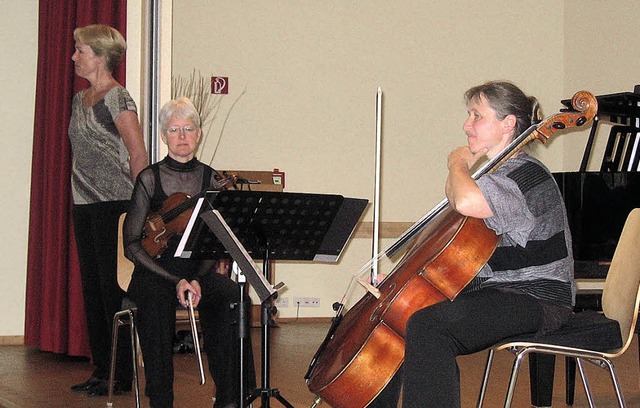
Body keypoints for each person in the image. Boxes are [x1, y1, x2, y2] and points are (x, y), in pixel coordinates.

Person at [370, 81, 575, 407]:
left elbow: (464, 200)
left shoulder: (522, 174)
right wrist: (405, 285)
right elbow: (462, 237)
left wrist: (457, 164)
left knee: (428, 327)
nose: (467, 125)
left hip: (536, 297)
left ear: (508, 124)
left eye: (477, 116)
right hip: (499, 290)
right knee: (401, 310)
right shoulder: (493, 176)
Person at [122, 97, 256, 408]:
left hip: (198, 268)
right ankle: (161, 401)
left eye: (188, 129)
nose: (182, 136)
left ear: (198, 134)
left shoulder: (210, 179)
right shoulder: (148, 179)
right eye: (174, 129)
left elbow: (216, 239)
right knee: (154, 304)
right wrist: (175, 281)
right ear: (164, 135)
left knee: (233, 296)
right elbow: (131, 243)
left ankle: (231, 397)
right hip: (156, 270)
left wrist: (195, 279)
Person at [69, 24, 147, 396]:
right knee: (92, 290)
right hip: (84, 204)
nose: (74, 57)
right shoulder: (79, 99)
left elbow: (137, 153)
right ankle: (102, 369)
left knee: (113, 291)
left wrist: (144, 205)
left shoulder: (118, 98)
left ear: (100, 57)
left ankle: (121, 374)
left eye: (80, 51)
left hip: (116, 205)